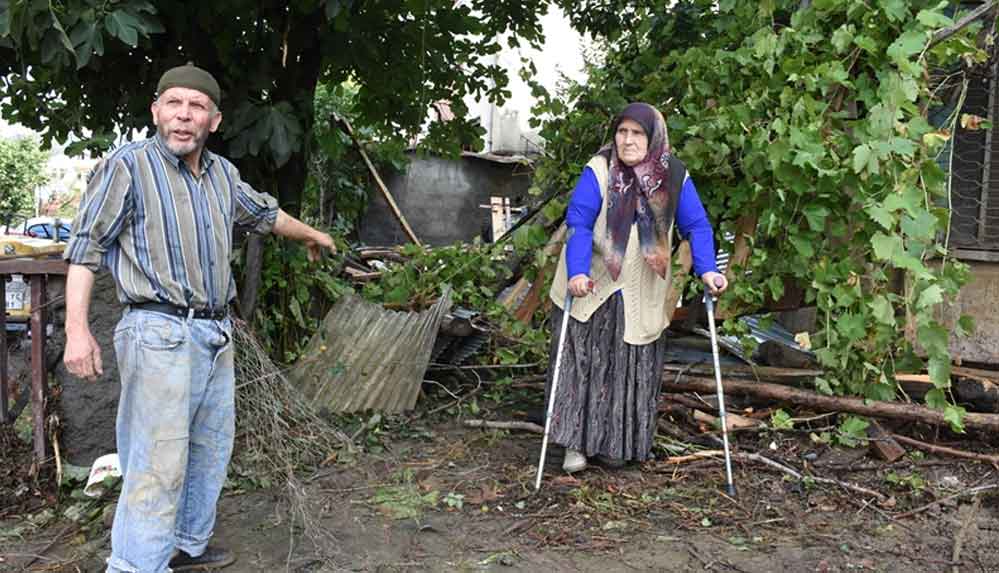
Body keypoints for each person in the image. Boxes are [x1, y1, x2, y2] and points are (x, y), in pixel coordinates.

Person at [61, 63, 336, 573]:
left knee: (209, 449)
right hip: (157, 330)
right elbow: (85, 248)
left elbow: (265, 214)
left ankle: (185, 545)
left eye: (197, 106)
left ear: (214, 120)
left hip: (214, 332)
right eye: (174, 103)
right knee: (157, 459)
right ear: (156, 111)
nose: (184, 116)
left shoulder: (222, 175)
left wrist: (313, 235)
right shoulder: (128, 166)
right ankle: (136, 566)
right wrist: (76, 330)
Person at [546, 102, 728, 473]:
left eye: (637, 133)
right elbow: (579, 221)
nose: (627, 141)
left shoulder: (674, 176)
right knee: (582, 365)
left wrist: (708, 270)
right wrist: (577, 272)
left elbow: (697, 226)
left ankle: (615, 444)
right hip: (590, 286)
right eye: (622, 131)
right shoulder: (600, 169)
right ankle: (574, 445)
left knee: (629, 367)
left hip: (641, 292)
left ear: (654, 137)